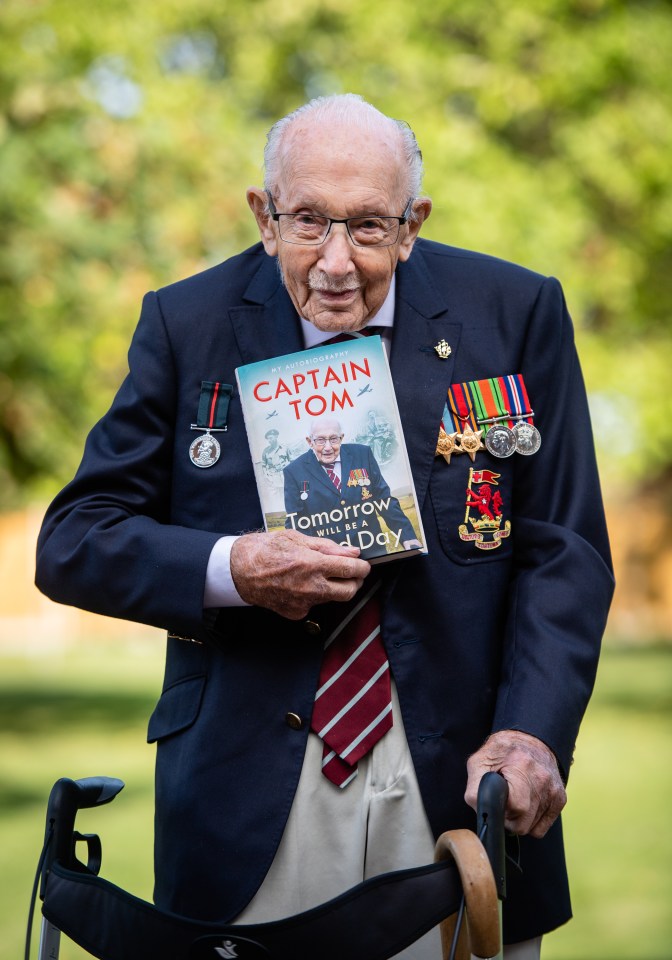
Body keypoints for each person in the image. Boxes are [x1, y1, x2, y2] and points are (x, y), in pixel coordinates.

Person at [35, 93, 614, 958]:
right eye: (307, 221)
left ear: (413, 224)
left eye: (370, 228)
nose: (336, 262)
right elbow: (75, 538)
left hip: (459, 778)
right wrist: (233, 568)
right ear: (263, 217)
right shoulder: (185, 321)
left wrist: (531, 733)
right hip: (248, 789)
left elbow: (563, 547)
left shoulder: (515, 311)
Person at [283, 417, 421, 558]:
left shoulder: (363, 454)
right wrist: (314, 557)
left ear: (341, 438)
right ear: (309, 441)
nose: (328, 447)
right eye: (321, 440)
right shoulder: (293, 471)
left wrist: (407, 536)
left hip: (373, 551)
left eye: (333, 439)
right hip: (330, 559)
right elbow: (296, 521)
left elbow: (383, 499)